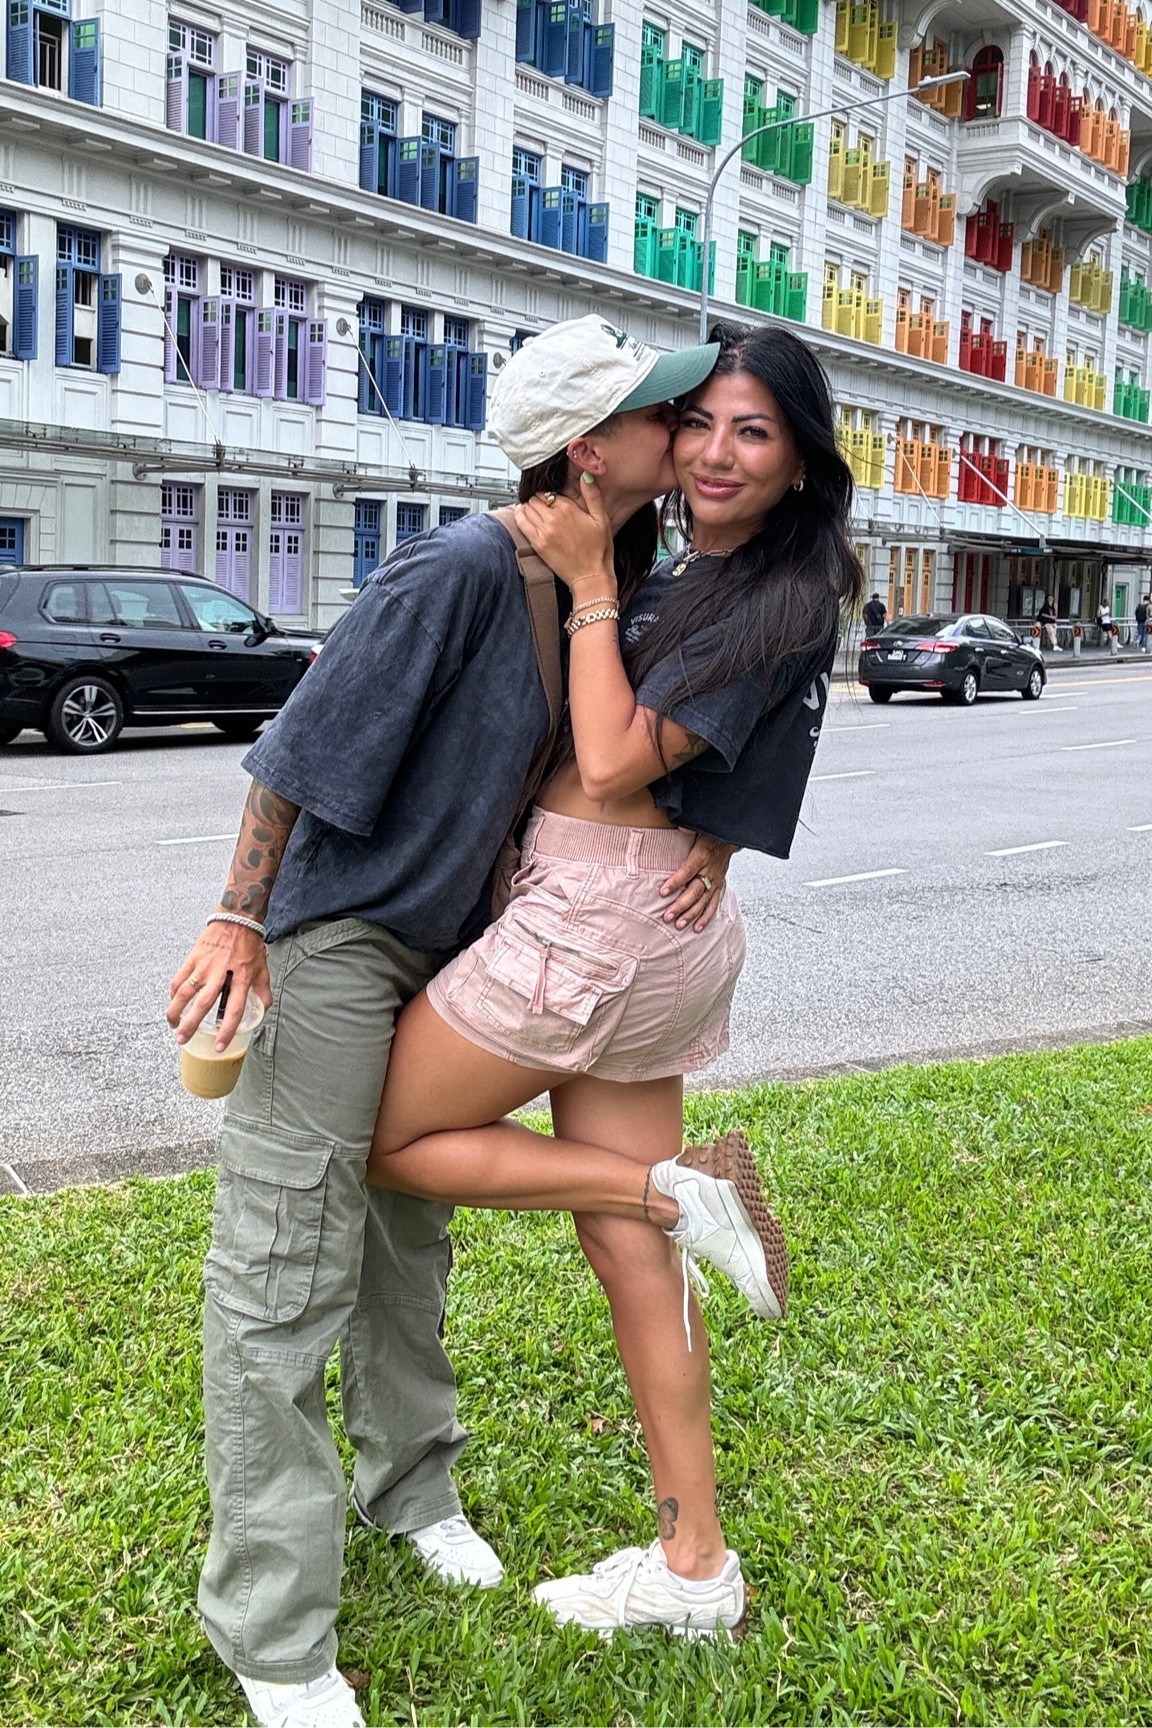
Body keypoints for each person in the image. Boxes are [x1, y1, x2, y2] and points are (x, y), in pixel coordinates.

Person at [167, 316, 731, 1728]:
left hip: (451, 952)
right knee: (284, 1267)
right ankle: (274, 1636)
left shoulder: (604, 581)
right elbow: (294, 754)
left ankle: (411, 1490)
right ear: (589, 451)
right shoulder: (459, 568)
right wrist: (237, 919)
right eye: (662, 414)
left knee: (405, 1245)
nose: (687, 431)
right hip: (341, 940)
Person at [362, 319, 865, 1637]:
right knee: (630, 1253)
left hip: (596, 925)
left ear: (800, 461)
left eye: (753, 432)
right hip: (643, 921)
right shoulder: (705, 568)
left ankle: (675, 1187)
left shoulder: (773, 591)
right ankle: (696, 1566)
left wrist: (589, 579)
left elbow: (612, 753)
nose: (714, 452)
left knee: (383, 1137)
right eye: (699, 423)